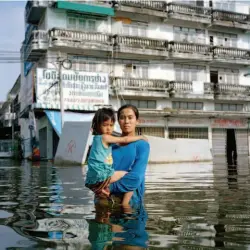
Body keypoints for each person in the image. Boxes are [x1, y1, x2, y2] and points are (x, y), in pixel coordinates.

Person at [85, 107, 147, 206]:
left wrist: (106, 188)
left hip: (129, 202)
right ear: (118, 121)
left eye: (130, 117)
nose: (126, 121)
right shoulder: (110, 144)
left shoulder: (142, 145)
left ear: (137, 121)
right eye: (122, 118)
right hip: (104, 199)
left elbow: (136, 177)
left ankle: (125, 204)